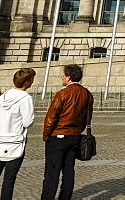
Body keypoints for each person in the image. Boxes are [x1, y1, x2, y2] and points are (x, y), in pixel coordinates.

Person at [0, 67, 35, 200]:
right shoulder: (25, 98)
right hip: (15, 140)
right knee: (9, 180)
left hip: (0, 139)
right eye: (32, 79)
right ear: (27, 82)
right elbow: (28, 122)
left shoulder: (3, 97)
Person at [41, 63, 94, 200]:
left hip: (58, 135)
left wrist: (47, 135)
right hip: (74, 135)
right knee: (68, 170)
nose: (62, 78)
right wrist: (77, 130)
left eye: (63, 76)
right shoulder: (87, 94)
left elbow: (51, 117)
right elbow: (87, 118)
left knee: (52, 172)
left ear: (69, 78)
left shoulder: (63, 93)